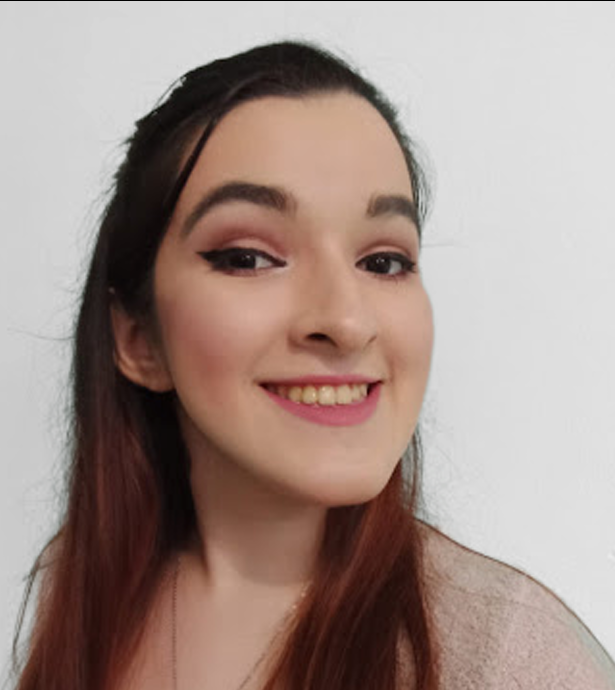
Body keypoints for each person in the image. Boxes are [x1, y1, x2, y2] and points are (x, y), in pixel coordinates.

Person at [11, 40, 615, 690]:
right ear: (137, 339)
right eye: (248, 257)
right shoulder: (79, 589)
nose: (347, 321)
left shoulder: (511, 660)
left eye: (383, 261)